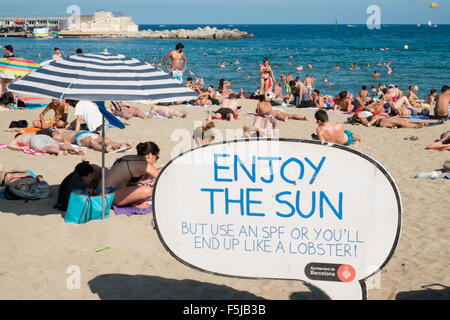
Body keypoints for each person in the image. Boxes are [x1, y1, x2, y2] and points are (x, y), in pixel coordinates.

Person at [103, 141, 161, 208]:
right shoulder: (144, 165)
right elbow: (162, 178)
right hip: (108, 198)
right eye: (156, 157)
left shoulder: (127, 157)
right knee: (149, 191)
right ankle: (135, 203)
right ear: (150, 155)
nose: (156, 161)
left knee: (139, 184)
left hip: (102, 191)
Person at [7, 131, 87, 156]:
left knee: (44, 148)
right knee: (59, 145)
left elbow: (9, 145)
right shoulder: (26, 134)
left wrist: (19, 148)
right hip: (41, 136)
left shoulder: (18, 138)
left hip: (34, 140)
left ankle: (58, 151)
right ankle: (74, 148)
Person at [52, 129, 135, 153]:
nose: (55, 131)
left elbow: (58, 130)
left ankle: (121, 145)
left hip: (86, 132)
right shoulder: (56, 137)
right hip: (78, 138)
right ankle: (103, 149)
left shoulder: (60, 131)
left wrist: (57, 130)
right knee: (91, 142)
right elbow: (66, 143)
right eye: (53, 132)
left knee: (106, 140)